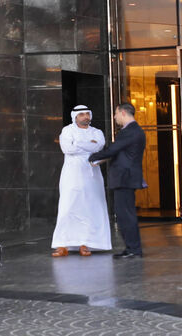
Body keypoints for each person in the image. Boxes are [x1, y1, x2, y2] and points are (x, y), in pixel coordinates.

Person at [50, 105, 111, 257]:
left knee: (91, 208)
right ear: (75, 117)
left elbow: (99, 146)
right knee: (68, 206)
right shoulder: (67, 131)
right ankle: (62, 244)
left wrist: (77, 144)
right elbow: (67, 149)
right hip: (72, 174)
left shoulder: (97, 132)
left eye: (87, 114)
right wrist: (88, 145)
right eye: (81, 114)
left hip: (92, 175)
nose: (85, 117)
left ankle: (87, 243)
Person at [89, 103, 147, 259]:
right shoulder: (135, 131)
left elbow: (113, 149)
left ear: (122, 113)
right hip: (126, 178)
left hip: (125, 178)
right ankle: (131, 248)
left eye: (115, 113)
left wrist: (93, 157)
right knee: (124, 214)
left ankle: (134, 249)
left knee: (126, 215)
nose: (114, 117)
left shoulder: (130, 131)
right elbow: (119, 153)